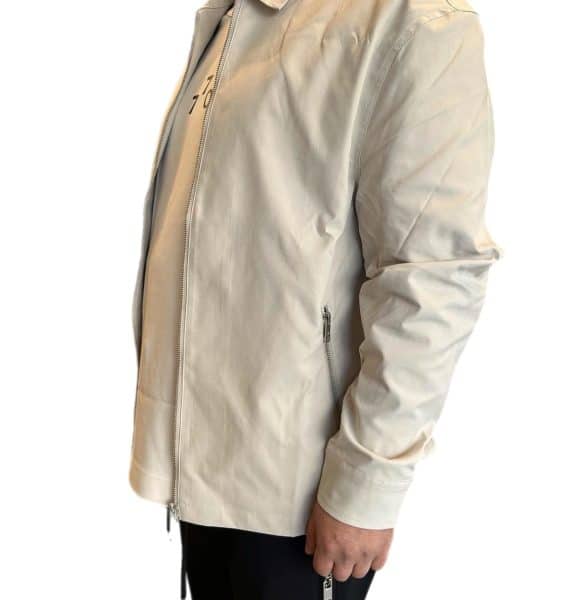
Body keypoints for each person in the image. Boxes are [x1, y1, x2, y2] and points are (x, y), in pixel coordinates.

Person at [128, 0, 501, 598]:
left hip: (300, 493)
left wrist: (367, 482)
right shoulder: (237, 16)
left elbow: (433, 276)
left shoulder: (413, 22)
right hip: (206, 469)